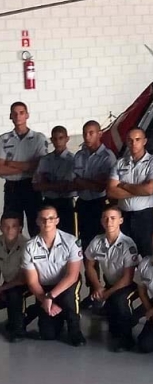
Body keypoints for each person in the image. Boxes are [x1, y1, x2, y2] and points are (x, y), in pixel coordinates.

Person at [21, 206, 86, 346]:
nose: (47, 222)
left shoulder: (71, 242)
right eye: (43, 219)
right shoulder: (29, 246)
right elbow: (32, 282)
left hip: (67, 283)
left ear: (57, 220)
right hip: (44, 287)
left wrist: (50, 297)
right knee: (47, 335)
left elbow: (72, 276)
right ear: (37, 221)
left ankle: (75, 330)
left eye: (51, 218)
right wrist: (44, 299)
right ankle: (42, 309)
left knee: (69, 299)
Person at [83, 205, 139, 352]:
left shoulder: (128, 244)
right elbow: (89, 264)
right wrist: (97, 286)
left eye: (113, 218)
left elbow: (128, 278)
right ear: (101, 221)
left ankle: (128, 340)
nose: (109, 222)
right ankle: (117, 330)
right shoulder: (97, 241)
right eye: (106, 218)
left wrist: (107, 293)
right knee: (113, 327)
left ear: (120, 220)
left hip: (130, 285)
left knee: (120, 301)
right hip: (110, 284)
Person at [107, 128, 153, 258]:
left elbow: (149, 189)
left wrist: (123, 185)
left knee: (149, 256)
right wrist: (140, 190)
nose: (134, 143)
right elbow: (111, 191)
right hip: (124, 216)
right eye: (130, 140)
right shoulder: (120, 163)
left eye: (137, 140)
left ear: (144, 141)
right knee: (125, 257)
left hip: (145, 216)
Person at [0, 102, 48, 236]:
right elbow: (1, 169)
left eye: (21, 113)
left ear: (27, 115)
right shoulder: (3, 139)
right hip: (12, 187)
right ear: (10, 116)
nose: (18, 116)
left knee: (36, 225)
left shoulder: (38, 138)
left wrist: (9, 163)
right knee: (11, 226)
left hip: (32, 186)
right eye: (14, 113)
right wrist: (27, 167)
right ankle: (14, 256)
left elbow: (39, 166)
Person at [73, 120, 116, 251]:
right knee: (85, 242)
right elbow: (74, 182)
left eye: (91, 133)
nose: (87, 137)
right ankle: (90, 271)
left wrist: (83, 181)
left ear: (99, 134)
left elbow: (102, 186)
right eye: (85, 133)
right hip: (83, 204)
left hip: (100, 203)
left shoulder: (107, 157)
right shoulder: (79, 156)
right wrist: (91, 182)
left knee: (102, 241)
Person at [33, 126, 77, 236]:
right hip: (49, 201)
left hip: (66, 203)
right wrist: (58, 185)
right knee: (46, 233)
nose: (58, 141)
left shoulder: (73, 160)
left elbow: (68, 186)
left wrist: (47, 184)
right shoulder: (45, 160)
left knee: (67, 235)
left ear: (67, 139)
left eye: (61, 138)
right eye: (55, 138)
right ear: (51, 140)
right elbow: (36, 185)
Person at [0, 212, 29, 342]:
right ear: (1, 227)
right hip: (7, 282)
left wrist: (2, 288)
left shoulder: (27, 245)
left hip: (26, 283)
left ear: (20, 228)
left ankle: (18, 329)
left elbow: (22, 279)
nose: (9, 229)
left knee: (13, 294)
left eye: (14, 226)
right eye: (6, 226)